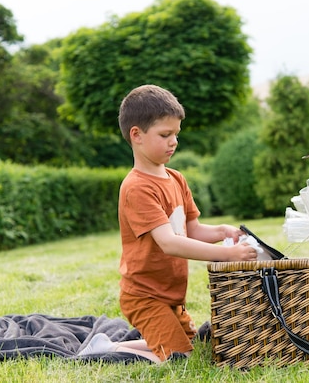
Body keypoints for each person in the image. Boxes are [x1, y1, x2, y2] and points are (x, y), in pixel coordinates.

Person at [78, 85, 258, 363]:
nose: (173, 141)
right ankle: (107, 350)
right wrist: (228, 254)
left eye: (176, 134)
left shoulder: (176, 178)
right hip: (145, 296)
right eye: (165, 135)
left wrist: (222, 232)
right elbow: (169, 242)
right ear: (136, 135)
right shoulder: (137, 187)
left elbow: (193, 230)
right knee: (180, 357)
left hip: (171, 295)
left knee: (192, 348)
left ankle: (119, 343)